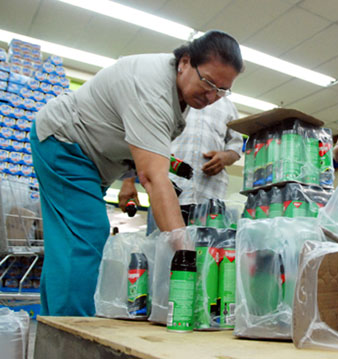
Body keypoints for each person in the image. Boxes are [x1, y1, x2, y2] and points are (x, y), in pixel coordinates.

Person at [30, 30, 244, 316]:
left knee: (66, 243)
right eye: (208, 82)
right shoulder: (151, 88)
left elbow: (143, 150)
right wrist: (186, 251)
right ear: (184, 62)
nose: (212, 96)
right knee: (87, 233)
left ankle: (52, 325)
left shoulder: (182, 94)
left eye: (222, 90)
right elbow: (154, 177)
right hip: (65, 144)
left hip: (88, 158)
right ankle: (71, 332)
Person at [119, 96, 243, 232]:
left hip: (210, 200)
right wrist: (128, 180)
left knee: (205, 250)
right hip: (166, 192)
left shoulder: (228, 107)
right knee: (162, 249)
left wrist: (225, 157)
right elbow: (141, 139)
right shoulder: (167, 96)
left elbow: (236, 147)